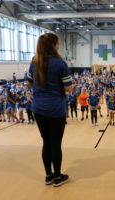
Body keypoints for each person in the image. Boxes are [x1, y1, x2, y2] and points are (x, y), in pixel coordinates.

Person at [27, 33, 72, 187]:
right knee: (55, 144)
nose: (59, 45)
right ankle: (58, 177)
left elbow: (28, 83)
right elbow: (68, 87)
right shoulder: (60, 63)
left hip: (38, 109)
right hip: (55, 109)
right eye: (58, 43)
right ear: (53, 44)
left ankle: (48, 176)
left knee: (46, 142)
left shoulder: (35, 61)